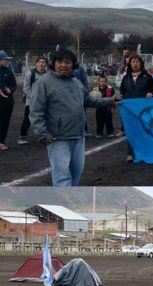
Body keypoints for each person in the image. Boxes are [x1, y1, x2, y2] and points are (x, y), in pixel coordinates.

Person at [28, 49, 115, 186]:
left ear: (73, 64)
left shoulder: (76, 83)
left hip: (78, 137)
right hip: (58, 139)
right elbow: (35, 111)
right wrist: (42, 134)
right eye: (60, 62)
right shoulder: (43, 83)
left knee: (76, 175)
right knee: (62, 177)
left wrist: (110, 100)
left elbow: (89, 100)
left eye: (67, 62)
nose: (63, 65)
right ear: (53, 64)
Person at [120, 53, 153, 163]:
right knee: (131, 130)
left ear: (141, 63)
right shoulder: (126, 78)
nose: (135, 63)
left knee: (145, 130)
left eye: (137, 61)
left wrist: (151, 93)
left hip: (144, 109)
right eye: (133, 62)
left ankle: (147, 152)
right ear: (130, 64)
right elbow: (122, 92)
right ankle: (130, 154)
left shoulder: (147, 77)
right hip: (130, 110)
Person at [19, 57, 48, 145]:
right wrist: (34, 98)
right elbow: (26, 88)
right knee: (27, 118)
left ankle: (43, 136)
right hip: (31, 101)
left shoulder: (48, 74)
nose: (41, 64)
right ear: (36, 64)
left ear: (46, 64)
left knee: (44, 118)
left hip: (44, 101)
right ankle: (22, 136)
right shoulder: (30, 74)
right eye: (39, 62)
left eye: (43, 62)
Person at [0, 50, 17, 151]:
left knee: (5, 122)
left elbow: (13, 84)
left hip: (7, 101)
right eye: (5, 59)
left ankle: (1, 141)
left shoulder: (8, 71)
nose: (7, 61)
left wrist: (10, 89)